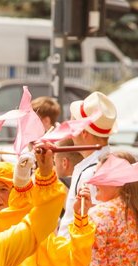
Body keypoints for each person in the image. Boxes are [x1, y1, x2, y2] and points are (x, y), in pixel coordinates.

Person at [58, 91, 117, 238]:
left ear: (84, 133)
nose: (71, 131)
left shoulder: (91, 173)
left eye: (73, 124)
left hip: (77, 254)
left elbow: (92, 224)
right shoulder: (110, 163)